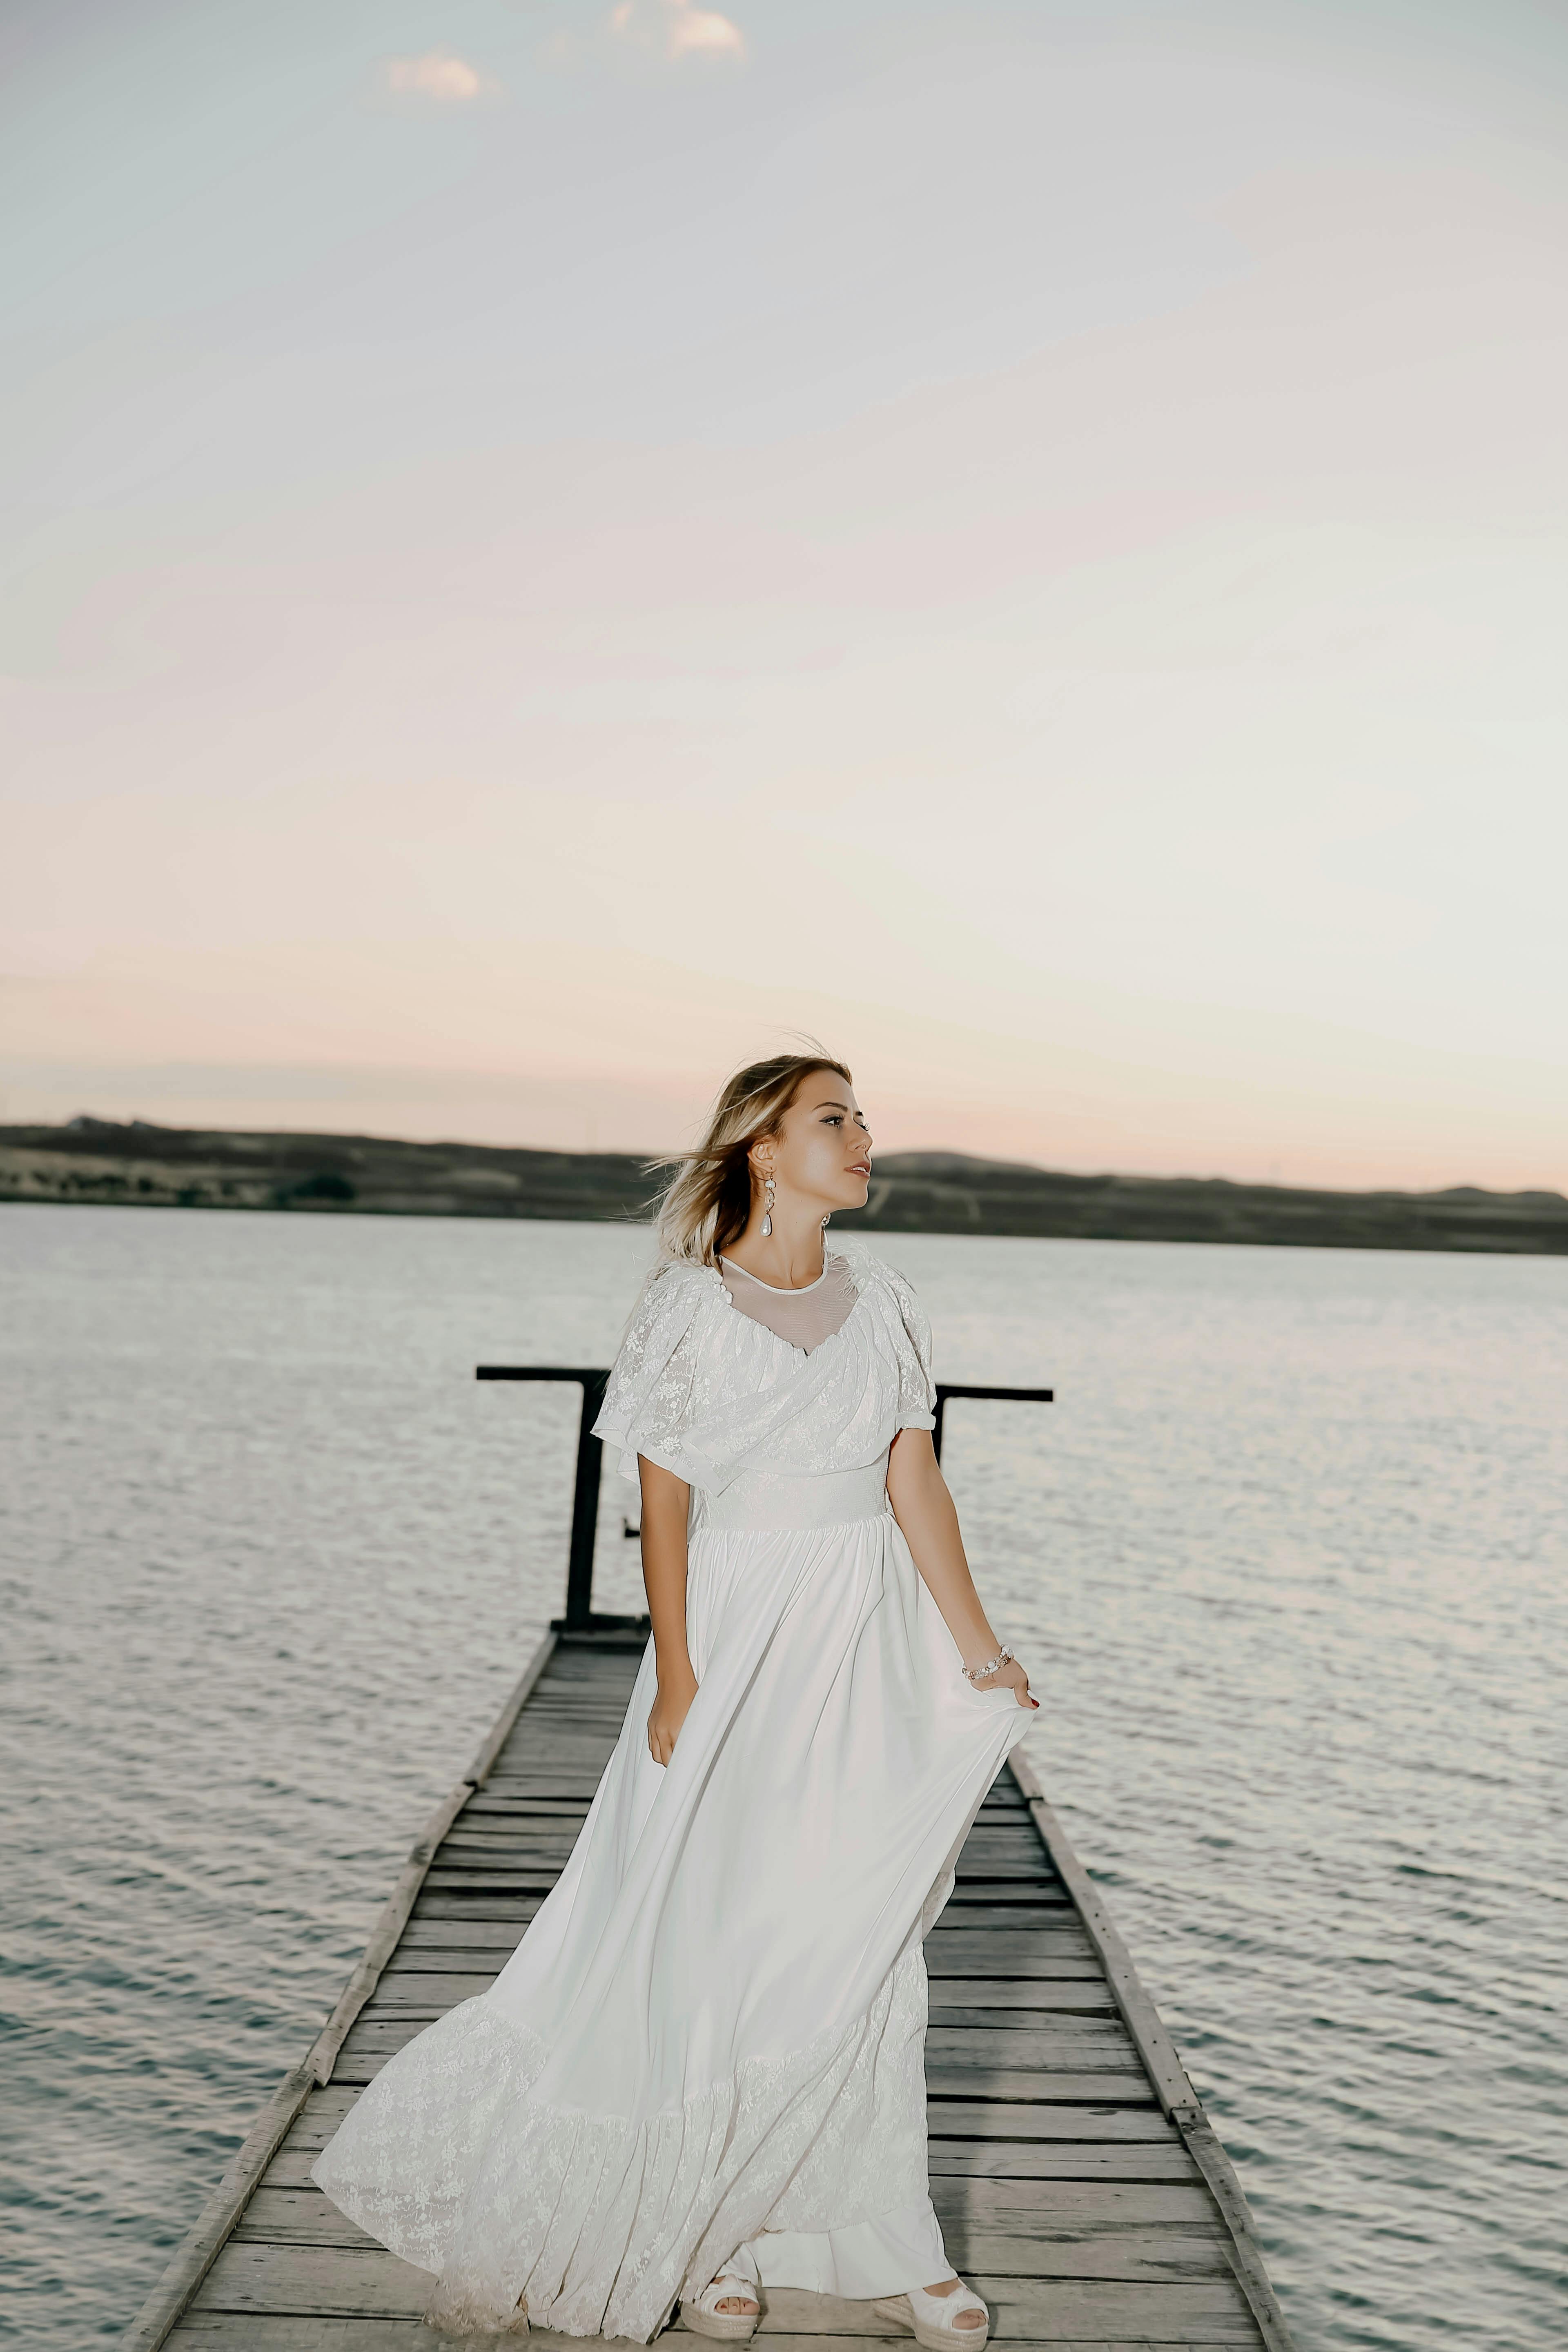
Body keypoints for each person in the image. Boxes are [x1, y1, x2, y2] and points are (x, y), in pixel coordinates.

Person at [312, 1052, 1038, 2345]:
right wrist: (684, 1672)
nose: (865, 1136)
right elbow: (665, 1508)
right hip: (740, 1634)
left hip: (864, 1634)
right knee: (714, 1927)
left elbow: (915, 1482)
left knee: (853, 1929)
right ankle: (713, 2228)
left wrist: (978, 1649)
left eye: (863, 1117)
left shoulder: (892, 1302)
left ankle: (885, 2232)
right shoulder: (685, 1308)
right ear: (764, 1146)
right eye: (835, 1118)